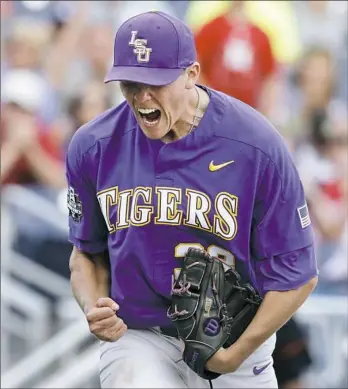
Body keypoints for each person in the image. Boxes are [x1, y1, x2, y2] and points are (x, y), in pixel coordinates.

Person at [66, 11, 318, 389]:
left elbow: (298, 274)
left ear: (192, 74)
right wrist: (92, 304)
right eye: (130, 83)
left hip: (235, 339)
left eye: (155, 82)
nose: (142, 96)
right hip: (142, 336)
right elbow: (86, 252)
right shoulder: (94, 146)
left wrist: (235, 354)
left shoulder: (254, 145)